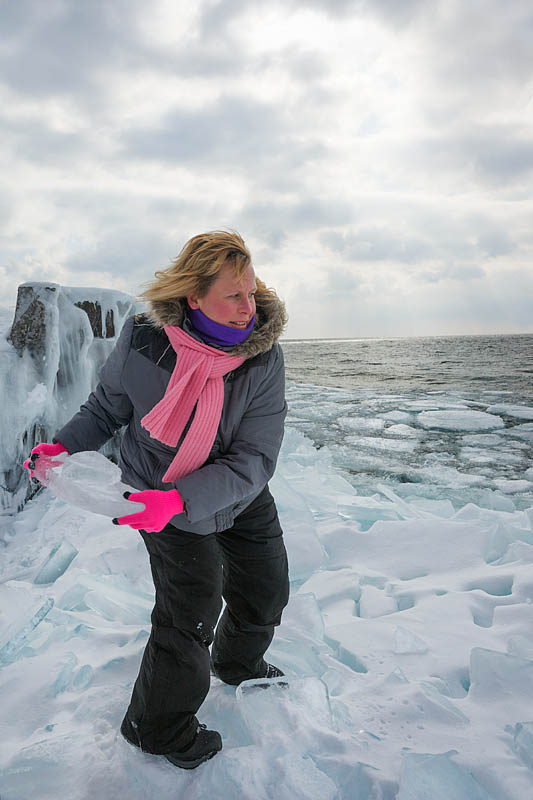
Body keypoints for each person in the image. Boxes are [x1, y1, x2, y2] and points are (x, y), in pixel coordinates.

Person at [24, 230, 289, 769]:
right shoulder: (146, 339)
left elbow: (254, 460)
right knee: (188, 613)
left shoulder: (262, 358)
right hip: (156, 492)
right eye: (233, 295)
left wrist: (185, 497)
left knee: (265, 588)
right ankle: (157, 729)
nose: (248, 308)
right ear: (194, 298)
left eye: (252, 291)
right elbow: (107, 408)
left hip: (235, 492)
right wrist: (65, 444)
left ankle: (237, 663)